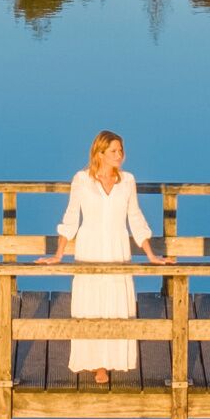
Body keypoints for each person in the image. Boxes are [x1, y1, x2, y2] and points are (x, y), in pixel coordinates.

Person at [52, 128, 156, 382]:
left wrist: (152, 255)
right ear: (99, 153)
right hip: (90, 245)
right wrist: (58, 254)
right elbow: (71, 216)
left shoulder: (128, 181)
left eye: (121, 150)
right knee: (91, 301)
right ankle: (94, 361)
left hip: (117, 246)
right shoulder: (82, 179)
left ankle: (110, 360)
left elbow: (135, 217)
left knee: (115, 300)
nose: (119, 155)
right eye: (113, 151)